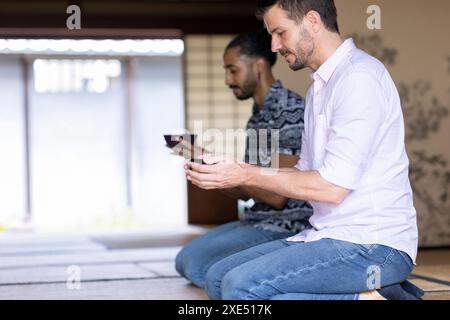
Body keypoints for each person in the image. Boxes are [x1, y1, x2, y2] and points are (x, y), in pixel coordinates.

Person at [185, 0, 424, 300]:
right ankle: (374, 294)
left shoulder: (359, 78)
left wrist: (244, 172)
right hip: (326, 235)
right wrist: (231, 171)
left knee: (240, 288)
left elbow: (332, 188)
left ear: (312, 21)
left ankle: (372, 296)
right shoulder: (319, 87)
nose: (273, 46)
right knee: (218, 278)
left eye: (280, 33)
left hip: (373, 245)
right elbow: (303, 173)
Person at [175, 31, 313, 289]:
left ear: (258, 65)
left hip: (286, 226)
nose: (227, 79)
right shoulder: (258, 117)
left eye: (232, 70)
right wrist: (207, 167)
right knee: (185, 259)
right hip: (257, 219)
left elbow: (276, 196)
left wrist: (220, 164)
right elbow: (252, 190)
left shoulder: (290, 111)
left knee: (195, 264)